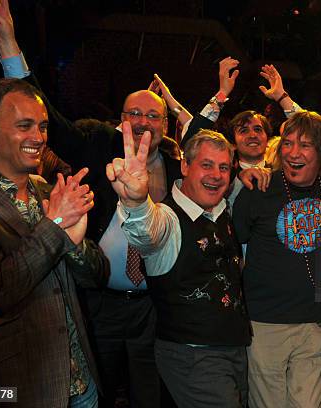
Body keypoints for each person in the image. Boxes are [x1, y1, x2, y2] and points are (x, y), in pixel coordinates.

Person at [0, 2, 238, 405]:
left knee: (147, 396)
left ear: (165, 124)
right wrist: (10, 47)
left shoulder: (175, 165)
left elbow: (206, 146)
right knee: (99, 392)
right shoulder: (97, 144)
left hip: (155, 307)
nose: (142, 121)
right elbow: (52, 120)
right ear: (120, 120)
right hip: (98, 303)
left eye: (153, 116)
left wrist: (251, 164)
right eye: (133, 113)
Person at [0, 78, 109, 407]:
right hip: (19, 388)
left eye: (42, 126)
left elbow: (96, 277)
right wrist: (55, 226)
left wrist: (77, 245)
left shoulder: (47, 189)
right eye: (24, 126)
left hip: (82, 383)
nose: (38, 138)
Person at [107, 126, 251, 407]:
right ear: (184, 165)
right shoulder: (167, 218)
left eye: (223, 167)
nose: (216, 175)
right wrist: (136, 202)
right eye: (206, 165)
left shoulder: (222, 210)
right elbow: (146, 231)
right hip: (192, 356)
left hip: (235, 349)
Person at [233, 110, 321, 407]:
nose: (293, 153)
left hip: (315, 323)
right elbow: (235, 244)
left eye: (305, 145)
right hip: (264, 323)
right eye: (287, 143)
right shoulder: (258, 189)